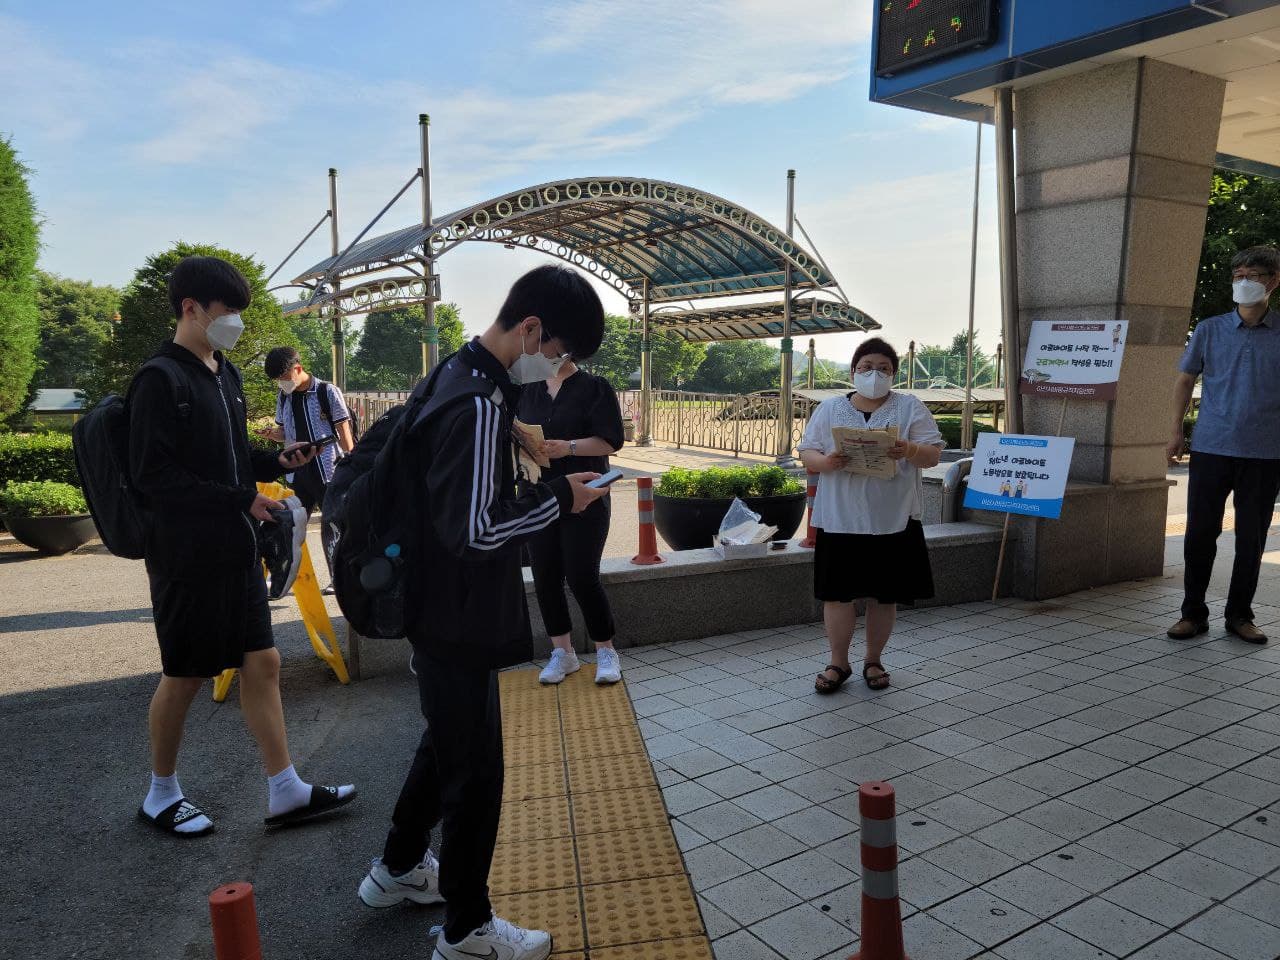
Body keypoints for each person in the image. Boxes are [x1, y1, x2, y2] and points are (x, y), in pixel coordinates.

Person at [357, 265, 608, 960]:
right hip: (458, 615)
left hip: (433, 609)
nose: (552, 366)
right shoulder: (475, 403)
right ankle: (467, 930)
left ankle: (400, 869)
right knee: (476, 774)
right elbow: (473, 531)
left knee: (446, 746)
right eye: (555, 352)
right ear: (531, 329)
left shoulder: (458, 376)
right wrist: (562, 499)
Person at [129, 255, 355, 837]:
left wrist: (276, 460)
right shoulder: (160, 379)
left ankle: (285, 789)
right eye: (227, 312)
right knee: (185, 673)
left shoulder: (222, 372)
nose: (235, 323)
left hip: (234, 547)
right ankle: (160, 793)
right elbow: (153, 477)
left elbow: (231, 457)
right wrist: (239, 498)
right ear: (191, 308)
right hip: (184, 553)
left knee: (264, 661)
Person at [797, 337, 944, 692]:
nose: (873, 374)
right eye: (865, 368)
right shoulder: (831, 408)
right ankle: (838, 662)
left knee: (884, 595)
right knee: (837, 595)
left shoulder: (909, 407)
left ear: (894, 373)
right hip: (840, 518)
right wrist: (827, 462)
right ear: (853, 372)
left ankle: (873, 660)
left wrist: (907, 448)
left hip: (892, 519)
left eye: (883, 368)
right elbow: (806, 452)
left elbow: (933, 455)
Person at [1167, 245, 1280, 645]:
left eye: (1252, 276)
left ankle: (1240, 616)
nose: (1244, 283)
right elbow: (1184, 380)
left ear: (1273, 281)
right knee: (1199, 533)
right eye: (1238, 277)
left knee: (1252, 537)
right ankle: (1192, 614)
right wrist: (1175, 429)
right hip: (1212, 446)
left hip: (1266, 453)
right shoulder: (1209, 329)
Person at [518, 353, 626, 685]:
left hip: (587, 494)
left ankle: (606, 650)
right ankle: (562, 653)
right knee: (545, 575)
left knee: (581, 575)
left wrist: (569, 447)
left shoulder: (595, 388)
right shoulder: (527, 390)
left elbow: (611, 441)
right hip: (539, 495)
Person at [260, 346, 355, 591]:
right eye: (278, 381)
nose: (282, 384)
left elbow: (343, 428)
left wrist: (353, 461)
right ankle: (279, 574)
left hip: (328, 470)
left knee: (334, 525)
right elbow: (284, 433)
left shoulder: (326, 391)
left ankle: (340, 577)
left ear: (298, 369)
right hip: (298, 471)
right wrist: (273, 434)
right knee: (287, 523)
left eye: (283, 378)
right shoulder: (284, 397)